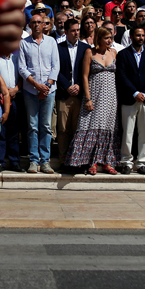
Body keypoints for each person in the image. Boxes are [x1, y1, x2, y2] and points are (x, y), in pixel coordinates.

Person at [64, 27, 120, 175]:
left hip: (110, 96)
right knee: (90, 126)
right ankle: (92, 162)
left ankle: (107, 162)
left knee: (108, 128)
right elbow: (84, 76)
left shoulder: (114, 53)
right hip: (94, 94)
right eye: (106, 38)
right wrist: (88, 98)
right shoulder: (90, 52)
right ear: (99, 38)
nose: (109, 40)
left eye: (111, 38)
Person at [17, 14, 60, 174]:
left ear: (44, 25)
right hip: (30, 90)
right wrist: (36, 86)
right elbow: (22, 68)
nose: (36, 25)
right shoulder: (24, 43)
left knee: (46, 126)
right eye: (33, 22)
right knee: (32, 126)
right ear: (29, 25)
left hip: (49, 90)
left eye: (39, 22)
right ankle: (34, 161)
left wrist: (46, 86)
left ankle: (45, 161)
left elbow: (55, 66)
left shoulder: (51, 42)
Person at [115, 25, 145, 175]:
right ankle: (126, 162)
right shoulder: (123, 54)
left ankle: (142, 162)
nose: (141, 38)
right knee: (128, 132)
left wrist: (144, 93)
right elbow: (121, 76)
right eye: (138, 35)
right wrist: (134, 92)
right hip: (129, 98)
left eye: (142, 35)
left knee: (144, 132)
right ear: (131, 37)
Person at [56, 18, 89, 163]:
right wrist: (67, 86)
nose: (76, 33)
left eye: (78, 30)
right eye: (73, 31)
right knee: (63, 129)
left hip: (80, 95)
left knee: (77, 129)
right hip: (64, 94)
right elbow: (55, 69)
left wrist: (80, 85)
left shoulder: (86, 48)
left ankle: (75, 159)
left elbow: (88, 71)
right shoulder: (58, 48)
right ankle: (63, 159)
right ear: (66, 32)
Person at [0, 52, 21, 172]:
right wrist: (4, 91)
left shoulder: (16, 58)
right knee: (0, 131)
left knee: (14, 131)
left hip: (15, 97)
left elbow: (21, 77)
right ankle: (0, 161)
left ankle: (15, 161)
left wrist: (15, 89)